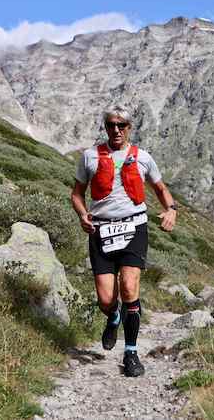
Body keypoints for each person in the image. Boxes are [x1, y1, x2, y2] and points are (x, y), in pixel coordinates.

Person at [71, 108, 177, 377]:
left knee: (129, 287)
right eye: (111, 125)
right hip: (101, 231)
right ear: (105, 127)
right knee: (106, 299)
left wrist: (171, 210)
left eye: (121, 125)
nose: (116, 130)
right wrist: (83, 215)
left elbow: (161, 189)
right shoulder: (90, 156)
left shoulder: (143, 157)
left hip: (134, 228)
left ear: (130, 127)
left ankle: (131, 353)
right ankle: (113, 316)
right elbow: (77, 194)